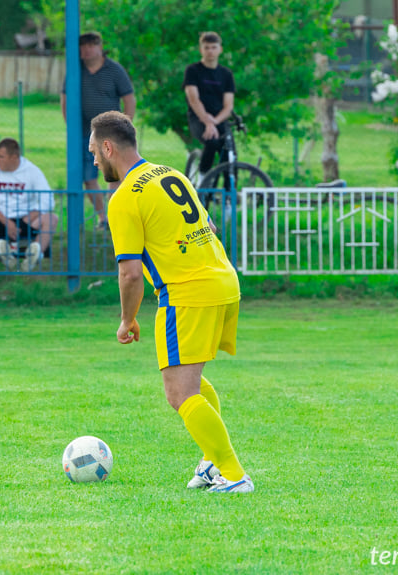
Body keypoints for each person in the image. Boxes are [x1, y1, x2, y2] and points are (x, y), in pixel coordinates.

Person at [89, 110, 253, 493]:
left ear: (109, 147)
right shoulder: (170, 173)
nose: (95, 161)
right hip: (223, 280)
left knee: (178, 392)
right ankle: (212, 461)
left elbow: (129, 273)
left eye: (95, 152)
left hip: (187, 292)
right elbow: (207, 226)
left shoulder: (124, 198)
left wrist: (126, 320)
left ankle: (233, 474)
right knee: (189, 381)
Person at [61, 31, 135, 230]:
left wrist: (125, 126)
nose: (86, 49)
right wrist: (72, 128)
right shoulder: (75, 70)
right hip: (85, 134)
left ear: (100, 47)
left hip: (112, 132)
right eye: (82, 46)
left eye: (91, 45)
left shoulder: (114, 70)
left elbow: (129, 98)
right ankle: (104, 218)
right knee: (88, 177)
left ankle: (116, 216)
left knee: (116, 174)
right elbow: (65, 99)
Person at [0, 138, 57, 272]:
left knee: (52, 218)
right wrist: (6, 221)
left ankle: (33, 256)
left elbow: (48, 199)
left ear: (14, 157)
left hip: (26, 220)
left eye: (1, 156)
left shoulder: (32, 171)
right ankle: (2, 255)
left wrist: (29, 216)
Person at [183, 32, 235, 197]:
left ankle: (229, 196)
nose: (210, 51)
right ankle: (203, 179)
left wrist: (215, 122)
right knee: (211, 142)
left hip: (219, 118)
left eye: (214, 48)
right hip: (198, 118)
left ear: (220, 49)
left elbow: (228, 106)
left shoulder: (226, 74)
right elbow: (193, 99)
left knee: (230, 154)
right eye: (207, 48)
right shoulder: (193, 70)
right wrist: (207, 122)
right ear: (201, 49)